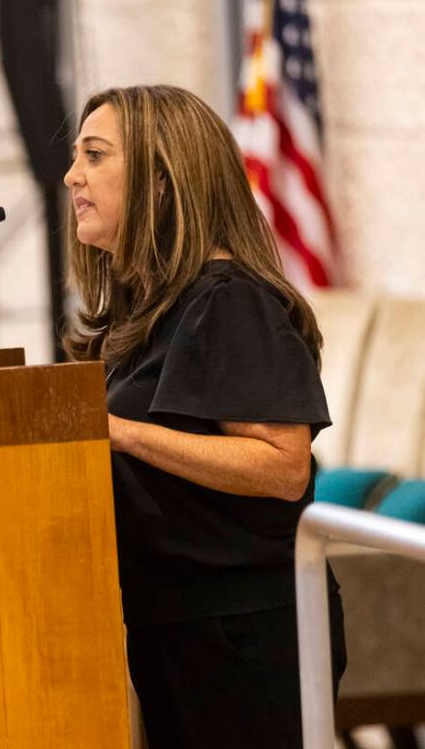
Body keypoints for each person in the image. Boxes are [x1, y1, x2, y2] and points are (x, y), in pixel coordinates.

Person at [62, 84, 346, 749]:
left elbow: (282, 466)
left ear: (163, 181)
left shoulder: (229, 302)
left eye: (96, 155)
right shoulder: (152, 311)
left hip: (245, 631)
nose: (73, 174)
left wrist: (118, 431)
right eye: (77, 156)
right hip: (175, 622)